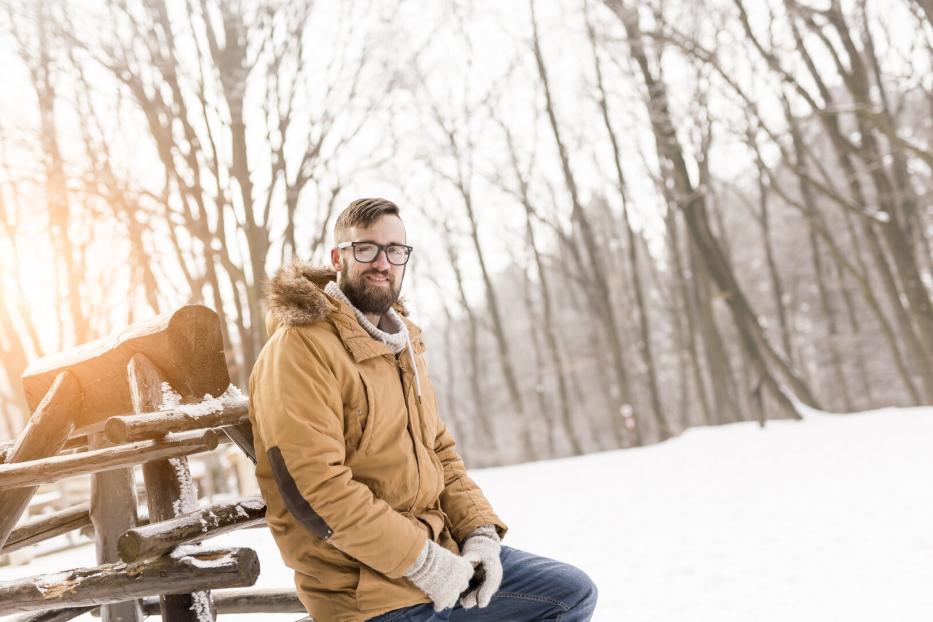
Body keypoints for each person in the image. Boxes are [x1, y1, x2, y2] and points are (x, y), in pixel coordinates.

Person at [248, 198, 598, 622]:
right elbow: (315, 488)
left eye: (395, 250)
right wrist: (423, 562)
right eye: (366, 248)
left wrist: (479, 534)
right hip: (365, 591)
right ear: (338, 258)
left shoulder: (400, 344)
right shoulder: (299, 349)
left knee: (569, 594)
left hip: (441, 560)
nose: (383, 262)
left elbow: (439, 452)